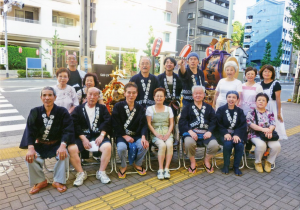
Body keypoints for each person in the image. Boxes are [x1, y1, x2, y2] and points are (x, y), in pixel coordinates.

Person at [20, 87, 74, 194]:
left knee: (64, 154)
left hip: (57, 144)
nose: (47, 98)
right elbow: (30, 130)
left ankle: (58, 181)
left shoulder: (62, 111)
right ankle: (41, 181)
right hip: (41, 144)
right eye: (44, 95)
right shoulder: (34, 111)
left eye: (50, 95)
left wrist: (63, 145)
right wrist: (30, 148)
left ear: (55, 97)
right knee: (29, 157)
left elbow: (68, 129)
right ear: (41, 98)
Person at [72, 87, 112, 184]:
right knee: (71, 149)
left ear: (98, 97)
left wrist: (102, 135)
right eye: (90, 94)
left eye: (95, 95)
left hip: (98, 136)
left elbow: (108, 122)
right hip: (82, 136)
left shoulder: (102, 108)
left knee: (107, 147)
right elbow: (74, 124)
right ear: (86, 94)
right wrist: (83, 138)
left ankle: (101, 172)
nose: (92, 97)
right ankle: (81, 173)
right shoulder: (78, 109)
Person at [179, 85, 219, 174]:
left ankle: (206, 160)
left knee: (214, 145)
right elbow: (182, 122)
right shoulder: (187, 108)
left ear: (204, 95)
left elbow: (213, 121)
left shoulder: (209, 108)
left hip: (206, 134)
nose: (198, 95)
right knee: (189, 143)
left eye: (200, 93)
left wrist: (209, 131)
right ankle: (193, 162)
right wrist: (190, 131)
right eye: (196, 93)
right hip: (192, 133)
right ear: (193, 95)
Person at [112, 82, 149, 178]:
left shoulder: (140, 108)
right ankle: (123, 166)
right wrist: (125, 136)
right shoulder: (118, 106)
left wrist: (143, 137)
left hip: (136, 135)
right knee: (121, 148)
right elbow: (115, 124)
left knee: (144, 146)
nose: (131, 95)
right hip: (122, 135)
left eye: (133, 93)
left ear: (137, 94)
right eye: (129, 92)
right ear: (124, 93)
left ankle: (137, 164)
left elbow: (144, 124)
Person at [246, 93, 281, 173]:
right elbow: (250, 124)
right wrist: (263, 130)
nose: (261, 102)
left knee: (277, 146)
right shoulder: (251, 112)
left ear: (266, 103)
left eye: (263, 100)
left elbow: (273, 124)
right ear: (256, 102)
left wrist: (269, 130)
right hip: (255, 135)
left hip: (268, 134)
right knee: (261, 145)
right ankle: (257, 162)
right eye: (259, 100)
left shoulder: (269, 112)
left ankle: (268, 162)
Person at [216, 91, 247, 176]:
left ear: (237, 99)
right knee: (228, 144)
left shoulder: (240, 111)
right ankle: (226, 165)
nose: (231, 99)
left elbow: (242, 125)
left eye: (234, 97)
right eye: (229, 97)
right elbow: (218, 124)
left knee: (239, 145)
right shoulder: (221, 110)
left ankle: (236, 167)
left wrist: (237, 134)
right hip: (224, 134)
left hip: (237, 134)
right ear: (226, 98)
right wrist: (225, 133)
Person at [146, 88, 174, 179]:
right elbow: (149, 124)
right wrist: (156, 134)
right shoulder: (150, 109)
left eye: (161, 96)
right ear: (154, 97)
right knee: (162, 145)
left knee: (169, 144)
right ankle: (160, 169)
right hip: (156, 132)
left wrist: (168, 133)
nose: (159, 98)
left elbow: (172, 123)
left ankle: (167, 168)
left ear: (164, 98)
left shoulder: (169, 109)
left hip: (167, 132)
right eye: (157, 96)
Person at [259, 65, 287, 140]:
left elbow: (278, 99)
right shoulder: (260, 84)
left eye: (269, 71)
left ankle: (269, 148)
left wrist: (278, 113)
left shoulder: (276, 84)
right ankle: (265, 145)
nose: (267, 73)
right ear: (262, 73)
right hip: (263, 108)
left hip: (273, 107)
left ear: (272, 73)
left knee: (273, 126)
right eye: (265, 71)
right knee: (264, 126)